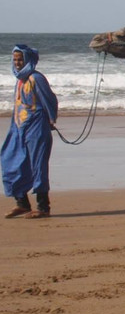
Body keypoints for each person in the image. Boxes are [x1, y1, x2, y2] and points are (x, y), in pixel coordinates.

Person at [3, 45, 58, 220]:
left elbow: (50, 100)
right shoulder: (20, 80)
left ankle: (43, 207)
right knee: (10, 160)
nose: (18, 63)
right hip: (19, 127)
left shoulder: (36, 78)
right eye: (15, 60)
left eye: (20, 59)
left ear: (28, 60)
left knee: (38, 166)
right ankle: (22, 204)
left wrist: (50, 120)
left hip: (36, 127)